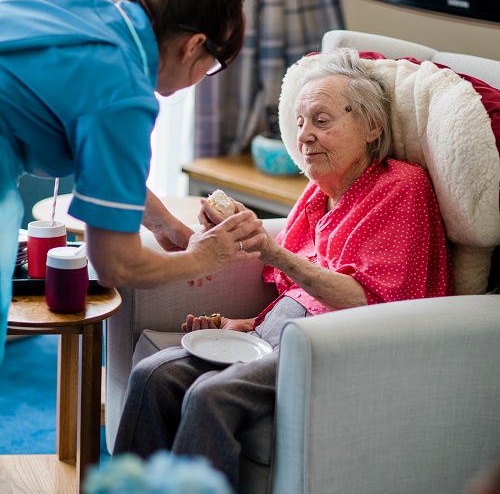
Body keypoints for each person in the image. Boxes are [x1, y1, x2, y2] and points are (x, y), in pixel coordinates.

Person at [113, 50, 454, 490]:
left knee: (209, 397)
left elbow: (367, 300)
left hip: (338, 347)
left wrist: (272, 252)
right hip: (277, 340)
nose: (304, 136)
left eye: (322, 120)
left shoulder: (400, 187)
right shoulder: (315, 197)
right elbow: (295, 295)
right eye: (299, 122)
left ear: (372, 127)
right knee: (154, 374)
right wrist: (245, 325)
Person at [0, 0, 265, 364]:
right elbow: (115, 264)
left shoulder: (78, 1)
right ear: (194, 45)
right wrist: (205, 256)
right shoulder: (125, 94)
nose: (203, 77)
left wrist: (163, 224)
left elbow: (102, 162)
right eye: (213, 64)